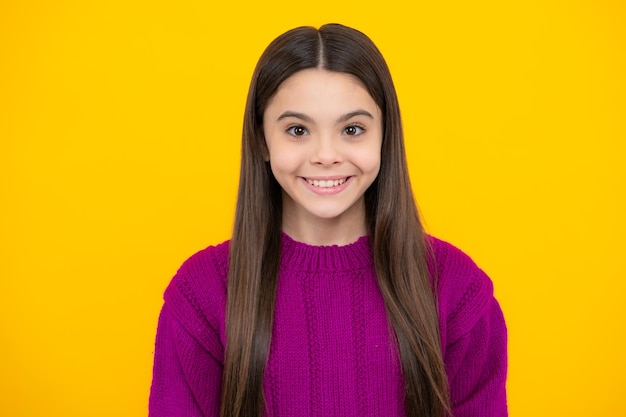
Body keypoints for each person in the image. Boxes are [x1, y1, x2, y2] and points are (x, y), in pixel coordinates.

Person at [149, 23, 507, 417]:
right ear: (261, 140)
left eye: (352, 129)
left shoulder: (457, 290)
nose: (326, 154)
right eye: (297, 130)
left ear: (385, 136)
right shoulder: (201, 295)